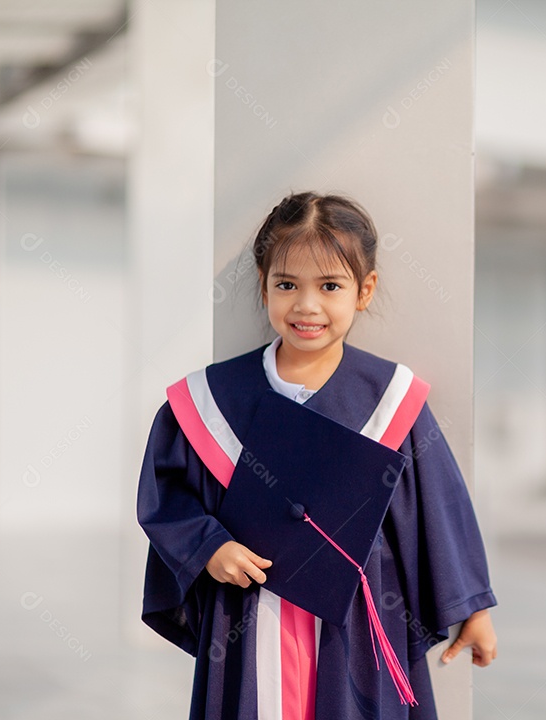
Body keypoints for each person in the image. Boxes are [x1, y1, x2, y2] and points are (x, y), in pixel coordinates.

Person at [136, 192, 497, 720]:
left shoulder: (391, 400)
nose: (307, 306)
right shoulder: (210, 400)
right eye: (287, 285)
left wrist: (472, 608)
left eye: (330, 286)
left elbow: (440, 510)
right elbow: (166, 495)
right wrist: (208, 547)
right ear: (263, 287)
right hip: (248, 609)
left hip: (357, 616)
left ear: (364, 290)